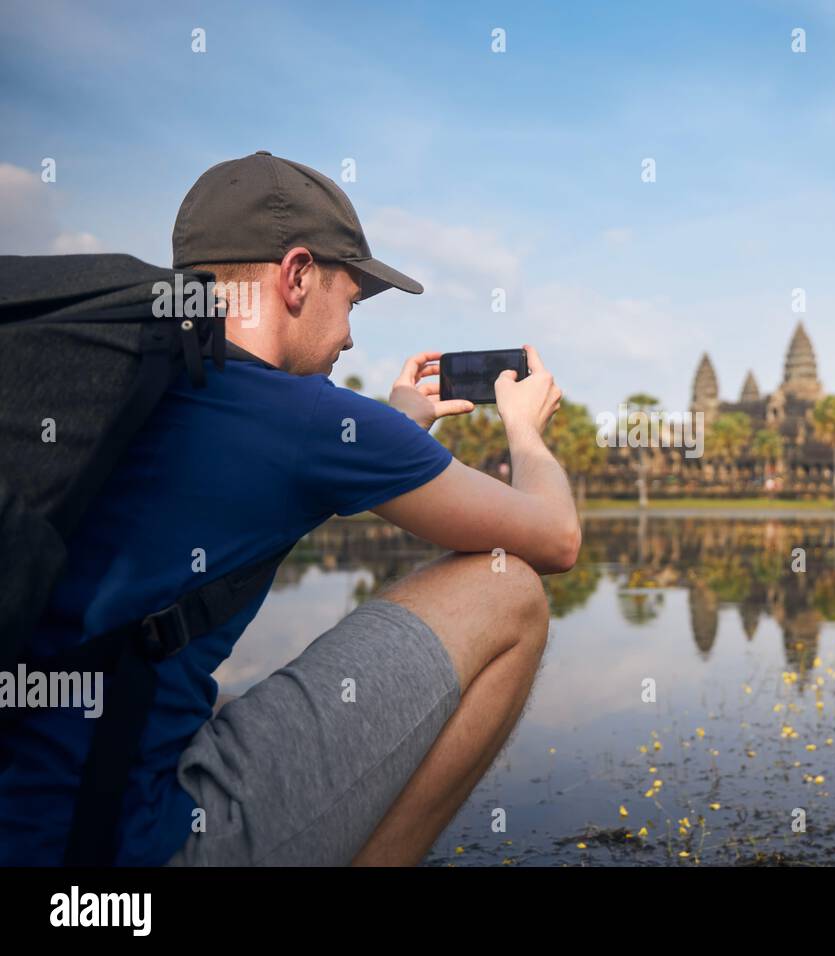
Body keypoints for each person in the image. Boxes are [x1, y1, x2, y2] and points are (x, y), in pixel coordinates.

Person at [0, 151, 580, 866]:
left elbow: (273, 461)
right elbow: (556, 539)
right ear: (297, 275)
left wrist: (395, 422)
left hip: (29, 818)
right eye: (352, 300)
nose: (352, 334)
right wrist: (524, 427)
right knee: (507, 591)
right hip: (129, 851)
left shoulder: (125, 389)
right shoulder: (303, 417)